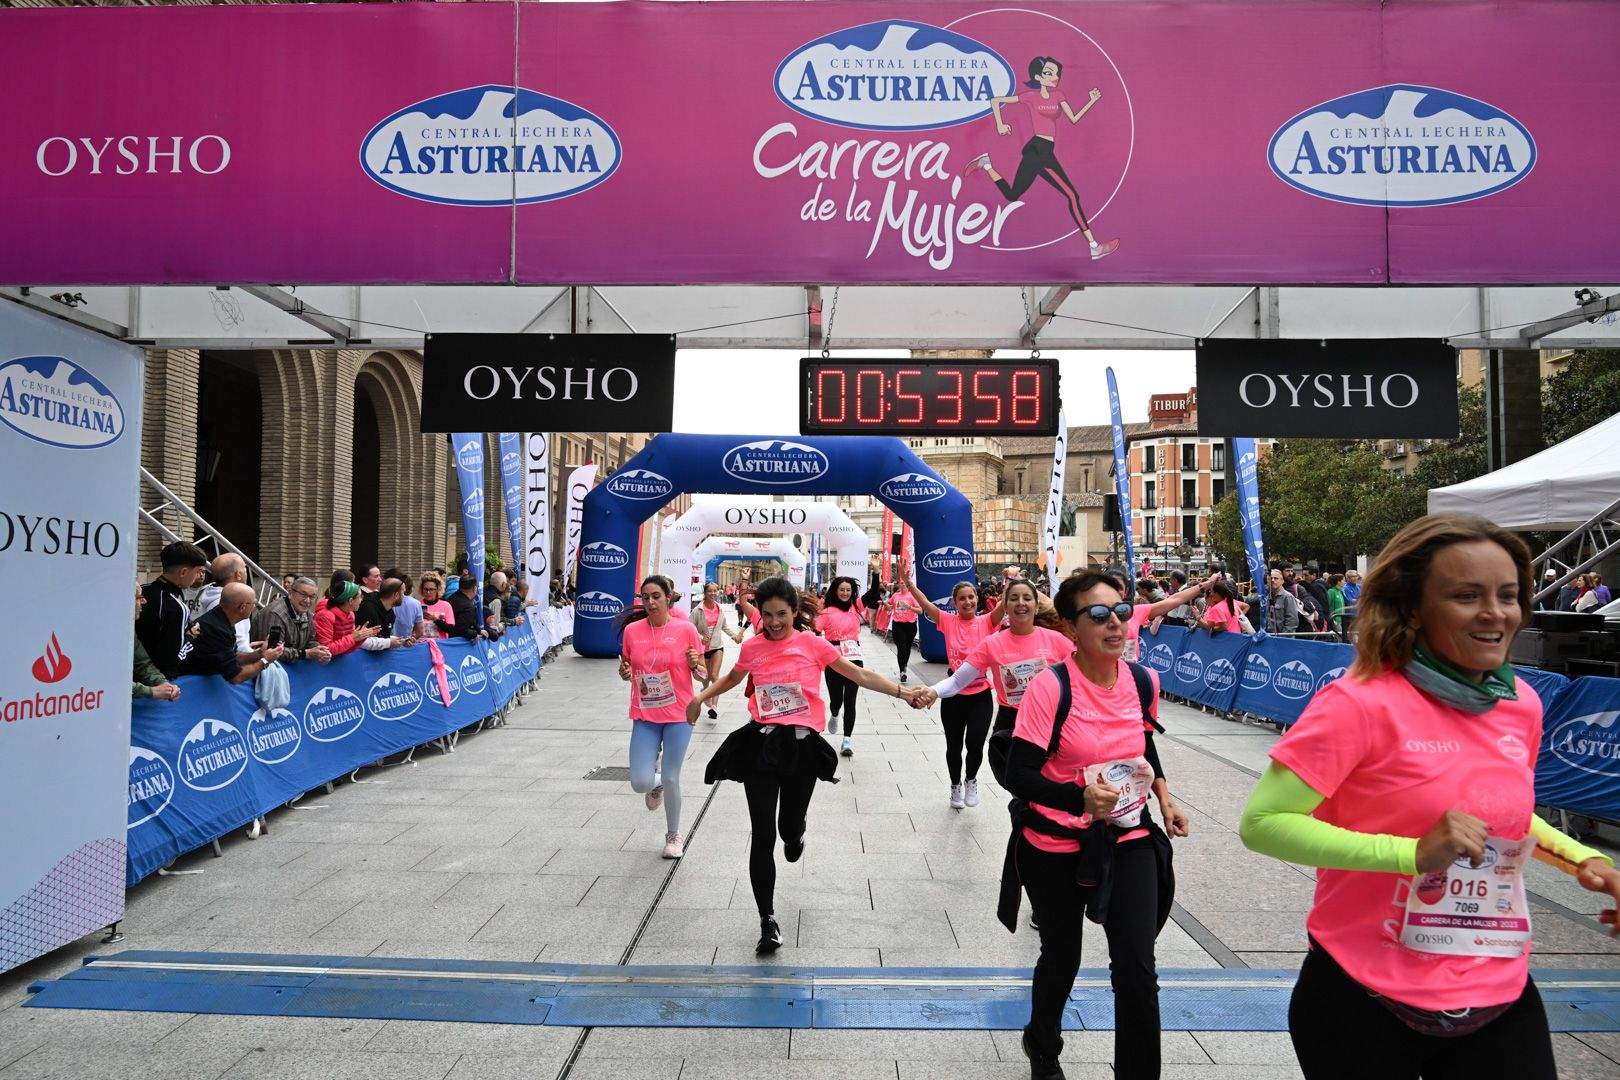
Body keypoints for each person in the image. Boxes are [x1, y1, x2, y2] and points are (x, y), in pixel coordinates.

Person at [1239, 514, 1620, 1080]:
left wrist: (1585, 860)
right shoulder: (1358, 703)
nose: (1495, 613)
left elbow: (1503, 818)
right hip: (1363, 998)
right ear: (1412, 608)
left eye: (1508, 595)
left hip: (1496, 987)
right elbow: (1263, 822)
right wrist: (1411, 853)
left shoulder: (1520, 704)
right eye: (1467, 596)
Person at [933, 571, 1188, 1080]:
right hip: (1056, 842)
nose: (1115, 624)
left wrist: (1163, 794)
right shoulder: (1050, 688)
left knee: (1137, 970)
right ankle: (1042, 1042)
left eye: (1120, 612)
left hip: (1129, 835)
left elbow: (1142, 743)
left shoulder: (1142, 681)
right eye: (1099, 615)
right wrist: (1078, 797)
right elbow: (1019, 774)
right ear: (1071, 628)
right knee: (1062, 957)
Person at [692, 577, 920, 955]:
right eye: (767, 615)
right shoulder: (753, 647)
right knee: (762, 834)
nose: (774, 622)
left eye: (782, 614)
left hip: (801, 749)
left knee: (787, 828)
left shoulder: (812, 644)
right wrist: (701, 697)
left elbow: (859, 674)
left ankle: (796, 834)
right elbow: (733, 677)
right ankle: (767, 920)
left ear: (795, 611)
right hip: (762, 745)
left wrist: (903, 692)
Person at [925, 580, 1074, 751]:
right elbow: (958, 680)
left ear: (1037, 606)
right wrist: (933, 691)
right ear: (1005, 607)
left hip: (1048, 722)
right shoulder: (991, 644)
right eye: (1014, 598)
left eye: (1027, 598)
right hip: (1009, 724)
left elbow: (1084, 676)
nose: (1020, 603)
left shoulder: (1058, 641)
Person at [617, 575, 706, 859]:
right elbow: (627, 667)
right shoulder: (632, 631)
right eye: (645, 597)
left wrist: (696, 665)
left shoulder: (686, 629)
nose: (651, 602)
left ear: (668, 597)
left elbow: (703, 675)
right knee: (640, 782)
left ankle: (673, 836)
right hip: (645, 714)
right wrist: (625, 673)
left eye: (656, 596)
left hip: (679, 712)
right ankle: (654, 784)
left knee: (671, 776)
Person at [901, 571, 997, 809]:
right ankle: (955, 786)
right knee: (954, 745)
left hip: (981, 694)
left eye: (971, 597)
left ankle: (971, 780)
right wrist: (908, 583)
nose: (968, 602)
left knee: (975, 743)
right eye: (962, 598)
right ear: (954, 602)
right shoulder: (948, 621)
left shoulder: (987, 621)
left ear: (978, 599)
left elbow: (1006, 604)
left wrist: (1015, 582)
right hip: (953, 695)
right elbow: (925, 603)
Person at [181, 582, 283, 684]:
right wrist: (265, 661)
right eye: (254, 603)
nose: (254, 606)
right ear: (242, 607)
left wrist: (260, 653)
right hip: (186, 684)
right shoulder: (217, 629)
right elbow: (235, 677)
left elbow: (232, 657)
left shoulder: (221, 618)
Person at [136, 540, 209, 678]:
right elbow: (172, 660)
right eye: (197, 571)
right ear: (183, 572)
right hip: (158, 679)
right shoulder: (176, 607)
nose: (197, 577)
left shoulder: (141, 591)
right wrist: (191, 637)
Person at [816, 576, 867, 755]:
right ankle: (835, 713)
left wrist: (876, 572)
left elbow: (873, 594)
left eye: (848, 590)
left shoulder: (856, 607)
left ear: (852, 592)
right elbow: (815, 633)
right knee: (836, 700)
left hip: (854, 659)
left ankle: (847, 741)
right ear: (835, 591)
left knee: (850, 701)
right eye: (842, 590)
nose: (845, 593)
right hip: (834, 660)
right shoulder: (826, 612)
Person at [1123, 575, 1216, 661]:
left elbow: (1175, 599)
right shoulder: (1134, 610)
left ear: (1125, 591)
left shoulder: (1135, 612)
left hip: (1128, 670)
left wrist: (1207, 584)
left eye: (1118, 588)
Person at [252, 575, 331, 664]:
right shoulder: (275, 614)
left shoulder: (307, 614)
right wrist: (305, 654)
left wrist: (320, 651)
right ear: (290, 593)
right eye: (303, 595)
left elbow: (311, 640)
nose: (307, 601)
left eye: (312, 597)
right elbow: (271, 650)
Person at [693, 581, 741, 718]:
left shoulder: (719, 608)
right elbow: (689, 627)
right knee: (706, 677)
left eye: (715, 591)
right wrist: (700, 637)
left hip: (717, 646)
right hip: (702, 649)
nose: (713, 593)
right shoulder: (698, 610)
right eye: (710, 591)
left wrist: (734, 637)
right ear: (705, 593)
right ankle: (705, 690)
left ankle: (714, 707)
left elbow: (724, 626)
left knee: (714, 676)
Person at [133, 583, 181, 701]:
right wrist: (151, 691)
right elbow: (108, 681)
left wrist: (164, 684)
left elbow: (142, 664)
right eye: (139, 597)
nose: (144, 601)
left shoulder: (128, 630)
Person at [313, 579, 382, 656]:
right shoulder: (325, 616)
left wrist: (361, 637)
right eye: (360, 597)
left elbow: (346, 649)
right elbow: (326, 650)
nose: (362, 599)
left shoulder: (350, 614)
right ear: (351, 600)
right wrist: (353, 638)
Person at [356, 579, 413, 648]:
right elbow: (361, 640)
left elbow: (383, 636)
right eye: (403, 593)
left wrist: (401, 641)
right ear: (396, 595)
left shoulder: (390, 612)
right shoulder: (367, 609)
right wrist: (389, 643)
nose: (404, 596)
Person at [886, 583, 921, 683]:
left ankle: (904, 665)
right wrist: (887, 605)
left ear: (908, 585)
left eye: (904, 583)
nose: (902, 585)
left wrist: (909, 607)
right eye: (901, 583)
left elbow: (920, 611)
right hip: (897, 624)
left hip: (910, 625)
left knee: (907, 647)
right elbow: (889, 605)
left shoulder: (913, 596)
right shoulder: (895, 595)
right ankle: (902, 672)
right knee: (901, 647)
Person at [444, 574, 488, 641]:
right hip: (455, 642)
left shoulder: (450, 598)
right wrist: (475, 634)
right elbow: (461, 630)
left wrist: (479, 630)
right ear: (475, 588)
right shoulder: (468, 607)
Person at [386, 568, 426, 639]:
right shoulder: (415, 603)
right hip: (405, 643)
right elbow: (420, 631)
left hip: (385, 643)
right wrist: (409, 640)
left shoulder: (382, 600)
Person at [418, 573, 454, 638]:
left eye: (431, 589)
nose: (428, 592)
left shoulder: (446, 606)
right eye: (425, 589)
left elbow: (451, 630)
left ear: (438, 589)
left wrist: (436, 620)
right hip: (421, 643)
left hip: (440, 643)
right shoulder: (417, 605)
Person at [1266, 568, 1302, 634]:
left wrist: (1282, 637)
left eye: (1276, 578)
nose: (1273, 580)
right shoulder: (1266, 597)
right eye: (1270, 578)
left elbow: (1292, 622)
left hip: (1283, 637)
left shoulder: (1288, 597)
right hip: (1269, 637)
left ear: (1282, 581)